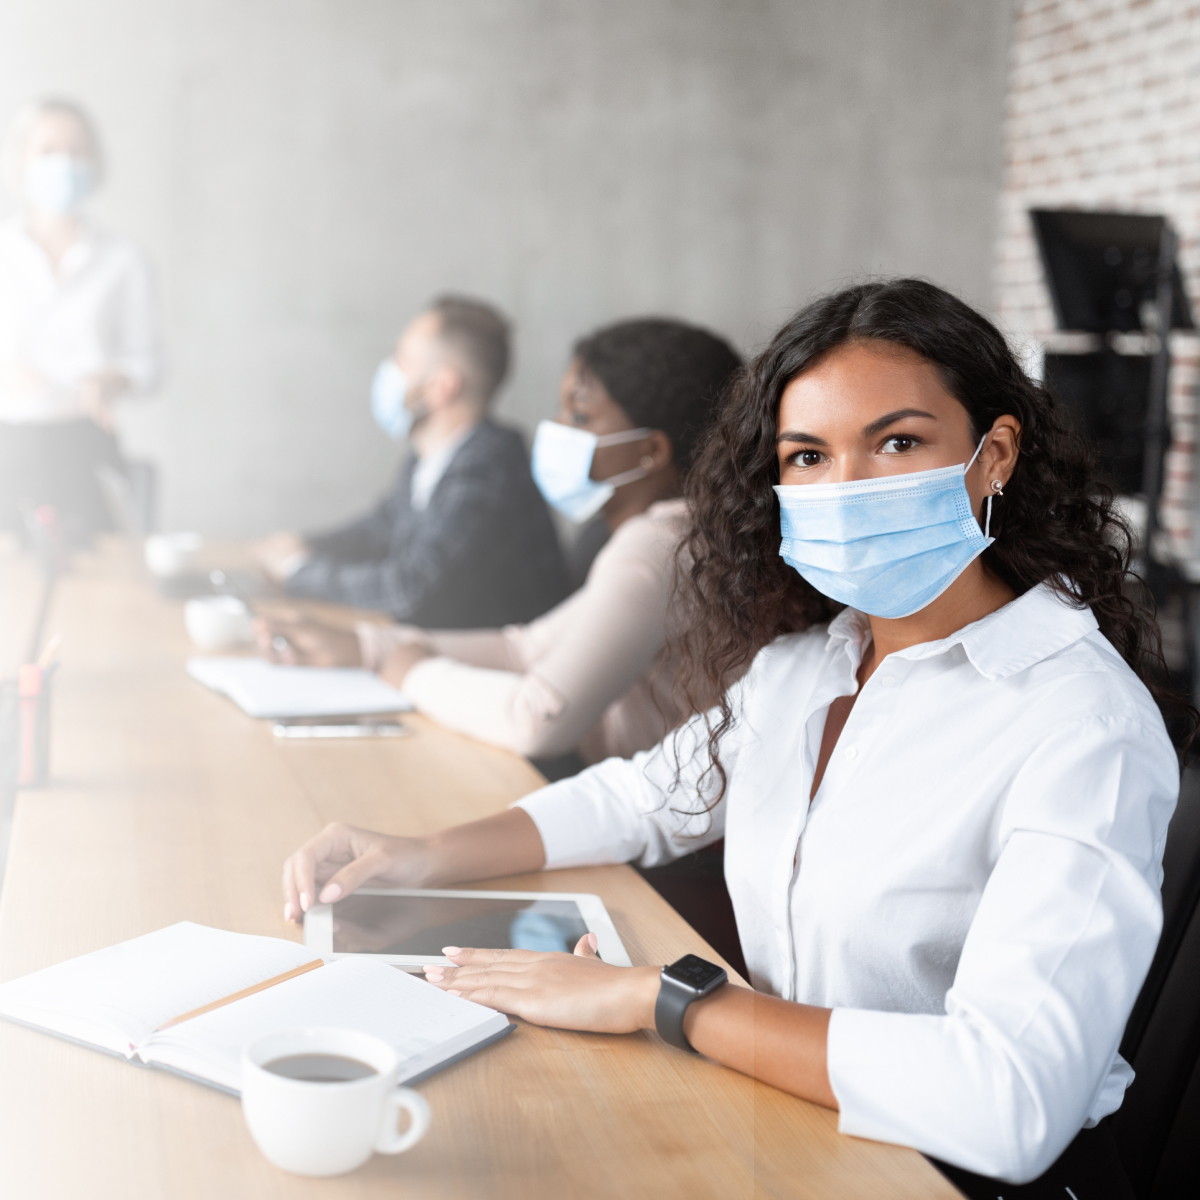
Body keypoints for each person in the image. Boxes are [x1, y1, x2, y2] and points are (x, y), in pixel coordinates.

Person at [280, 279, 1183, 1186]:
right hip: (793, 1118)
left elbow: (1009, 1103)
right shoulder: (811, 663)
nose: (845, 488)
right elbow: (643, 797)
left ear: (994, 456)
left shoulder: (1083, 727)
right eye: (807, 456)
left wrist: (662, 1000)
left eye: (897, 442)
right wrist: (424, 856)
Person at [260, 318, 743, 771]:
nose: (555, 429)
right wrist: (366, 646)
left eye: (579, 416)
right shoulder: (671, 534)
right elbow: (525, 648)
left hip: (657, 835)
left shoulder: (660, 546)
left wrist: (407, 669)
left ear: (651, 451)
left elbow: (536, 722)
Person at [255, 296, 568, 628]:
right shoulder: (433, 456)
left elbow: (411, 591)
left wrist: (299, 572)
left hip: (498, 672)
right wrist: (302, 547)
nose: (388, 369)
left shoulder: (490, 468)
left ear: (442, 386)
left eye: (401, 359)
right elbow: (380, 530)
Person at [0, 98, 161, 542]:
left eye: (77, 150)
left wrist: (112, 380)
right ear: (21, 162)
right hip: (6, 444)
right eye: (48, 150)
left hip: (84, 444)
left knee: (96, 581)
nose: (64, 163)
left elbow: (148, 364)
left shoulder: (124, 261)